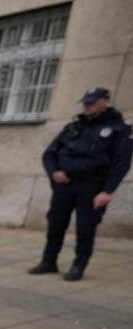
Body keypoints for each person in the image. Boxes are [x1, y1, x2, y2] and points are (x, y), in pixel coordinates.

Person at [28, 87, 131, 281]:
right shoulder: (74, 127)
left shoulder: (120, 129)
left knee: (85, 227)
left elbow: (121, 163)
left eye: (92, 102)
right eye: (85, 102)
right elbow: (50, 153)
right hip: (64, 185)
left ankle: (78, 266)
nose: (87, 105)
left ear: (106, 102)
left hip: (92, 187)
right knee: (56, 224)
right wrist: (54, 172)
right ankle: (49, 261)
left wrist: (108, 191)